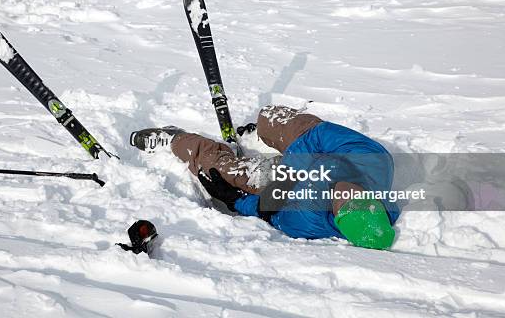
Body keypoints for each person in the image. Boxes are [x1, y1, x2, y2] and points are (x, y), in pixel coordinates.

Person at [130, 105, 398, 250]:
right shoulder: (376, 162)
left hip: (283, 182)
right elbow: (320, 133)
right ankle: (260, 130)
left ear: (338, 218)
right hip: (310, 147)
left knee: (222, 172)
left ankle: (178, 140)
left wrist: (235, 201)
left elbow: (267, 211)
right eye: (358, 196)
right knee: (270, 117)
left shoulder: (308, 220)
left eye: (343, 204)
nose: (345, 193)